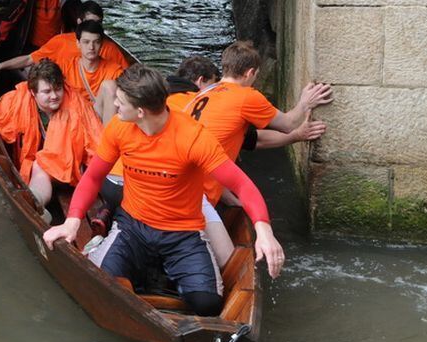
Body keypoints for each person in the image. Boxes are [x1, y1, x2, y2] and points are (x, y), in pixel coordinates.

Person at [43, 64, 285, 316]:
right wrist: (71, 222)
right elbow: (93, 177)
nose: (114, 105)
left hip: (182, 232)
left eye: (120, 101)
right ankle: (120, 255)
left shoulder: (193, 137)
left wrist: (264, 231)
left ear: (140, 111)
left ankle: (163, 268)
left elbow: (242, 185)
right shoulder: (119, 127)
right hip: (133, 227)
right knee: (101, 286)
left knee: (208, 303)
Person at [164, 44, 331, 266]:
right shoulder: (246, 96)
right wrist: (304, 103)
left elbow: (250, 139)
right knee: (230, 263)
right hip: (196, 194)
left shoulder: (203, 93)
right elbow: (289, 123)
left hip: (173, 180)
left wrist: (296, 137)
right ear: (251, 73)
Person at [0, 59, 102, 216]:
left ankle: (32, 202)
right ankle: (34, 203)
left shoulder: (77, 105)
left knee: (41, 165)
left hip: (75, 168)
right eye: (47, 91)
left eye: (58, 89)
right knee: (41, 165)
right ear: (33, 93)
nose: (54, 96)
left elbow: (96, 141)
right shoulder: (18, 101)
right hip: (44, 168)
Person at [0, 19, 124, 122]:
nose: (91, 47)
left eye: (96, 42)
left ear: (102, 44)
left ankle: (106, 151)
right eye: (86, 42)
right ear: (78, 43)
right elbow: (30, 60)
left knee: (110, 87)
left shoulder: (114, 70)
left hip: (100, 119)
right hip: (72, 119)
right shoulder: (65, 63)